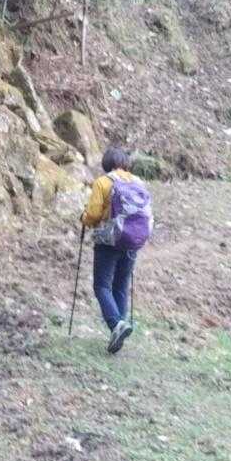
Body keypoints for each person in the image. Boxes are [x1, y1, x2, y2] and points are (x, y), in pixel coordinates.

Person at [80, 146, 153, 354]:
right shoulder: (138, 182)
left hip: (109, 241)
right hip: (132, 240)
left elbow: (93, 214)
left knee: (101, 286)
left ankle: (116, 325)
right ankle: (120, 329)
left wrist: (83, 219)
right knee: (121, 285)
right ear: (125, 163)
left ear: (106, 164)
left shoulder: (103, 182)